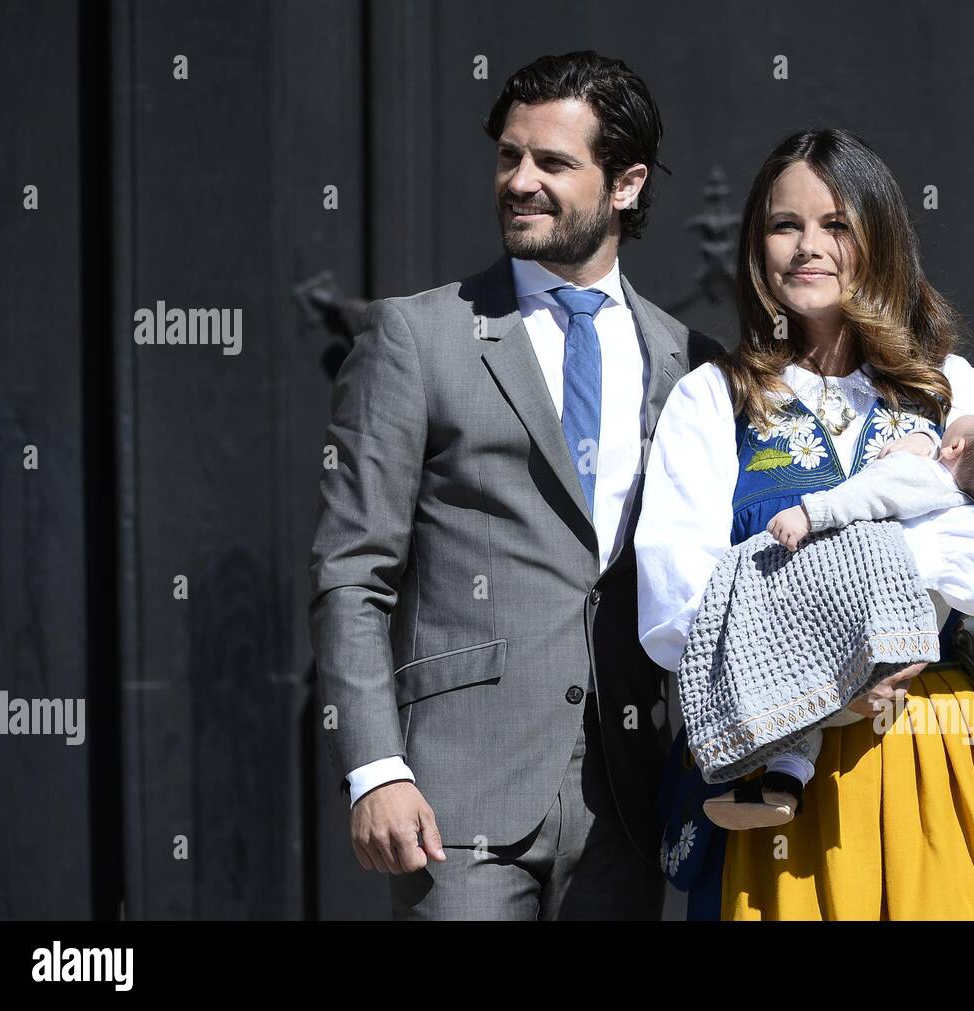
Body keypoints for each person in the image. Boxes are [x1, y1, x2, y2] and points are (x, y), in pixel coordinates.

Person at [308, 50, 721, 920]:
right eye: (508, 156)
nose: (519, 180)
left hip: (629, 801)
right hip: (456, 806)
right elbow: (353, 574)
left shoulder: (690, 364)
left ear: (627, 184)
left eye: (553, 162)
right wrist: (377, 768)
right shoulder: (416, 338)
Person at [636, 128, 974, 919]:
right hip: (770, 759)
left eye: (836, 225)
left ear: (880, 236)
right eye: (784, 224)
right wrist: (825, 666)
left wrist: (874, 604)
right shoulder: (711, 399)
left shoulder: (948, 387)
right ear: (757, 245)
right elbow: (676, 607)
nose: (808, 247)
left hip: (925, 748)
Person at [700, 404, 974, 830]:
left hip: (840, 630)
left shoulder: (922, 477)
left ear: (955, 446)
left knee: (794, 693)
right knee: (817, 707)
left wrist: (809, 514)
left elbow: (865, 494)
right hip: (888, 671)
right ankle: (784, 783)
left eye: (969, 419)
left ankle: (764, 765)